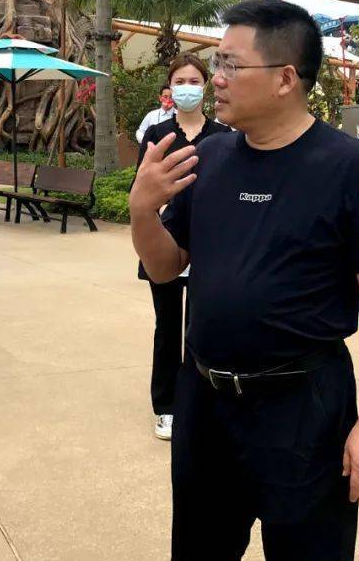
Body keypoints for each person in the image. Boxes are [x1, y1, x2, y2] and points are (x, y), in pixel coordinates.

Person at [131, 0, 359, 560]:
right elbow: (167, 267)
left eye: (231, 66)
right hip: (206, 403)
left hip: (303, 409)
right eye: (217, 64)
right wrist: (143, 211)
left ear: (286, 78)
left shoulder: (351, 168)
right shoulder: (207, 158)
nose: (216, 79)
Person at [136, 53, 230, 441]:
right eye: (180, 81)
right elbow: (142, 193)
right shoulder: (158, 136)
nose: (187, 87)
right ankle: (166, 405)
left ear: (205, 86)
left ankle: (200, 400)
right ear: (169, 88)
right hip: (167, 241)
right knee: (167, 326)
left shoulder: (224, 137)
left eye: (194, 80)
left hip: (210, 247)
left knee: (203, 326)